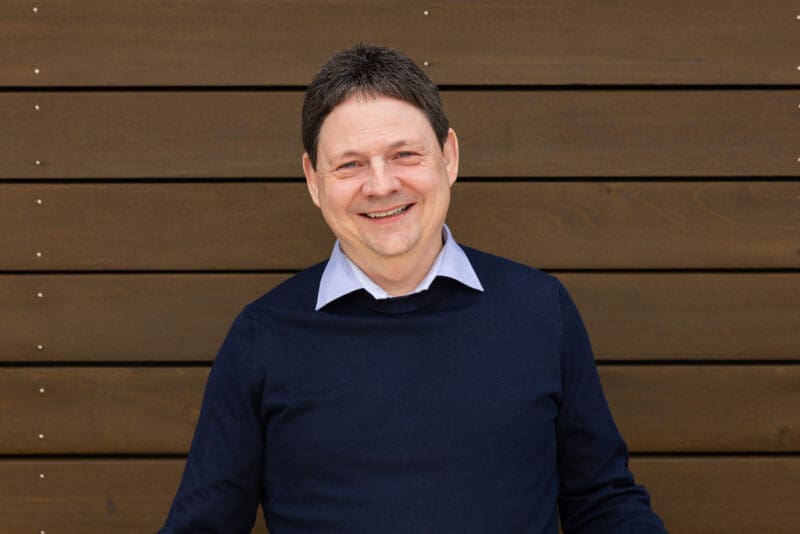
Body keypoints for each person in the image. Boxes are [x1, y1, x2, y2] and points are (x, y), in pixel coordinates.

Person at [160, 44, 667, 533]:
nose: (381, 185)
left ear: (449, 156)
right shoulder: (262, 338)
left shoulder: (539, 310)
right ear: (313, 179)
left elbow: (603, 504)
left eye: (404, 154)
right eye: (350, 164)